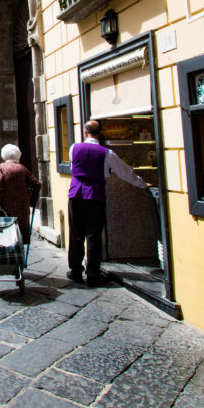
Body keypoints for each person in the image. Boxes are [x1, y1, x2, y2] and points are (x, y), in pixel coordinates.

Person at [68, 119, 149, 286]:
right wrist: (142, 184)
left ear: (85, 133)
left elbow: (73, 167)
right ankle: (93, 274)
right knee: (94, 235)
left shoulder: (74, 148)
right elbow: (125, 172)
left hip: (75, 194)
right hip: (96, 196)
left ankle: (75, 271)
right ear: (100, 134)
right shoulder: (106, 153)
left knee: (76, 234)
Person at [0, 144, 41, 242]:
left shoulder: (1, 168)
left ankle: (8, 253)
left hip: (6, 206)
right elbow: (36, 184)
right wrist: (29, 196)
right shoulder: (22, 168)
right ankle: (20, 253)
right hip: (22, 206)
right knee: (21, 229)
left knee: (6, 230)